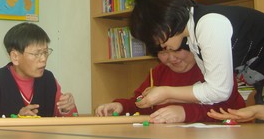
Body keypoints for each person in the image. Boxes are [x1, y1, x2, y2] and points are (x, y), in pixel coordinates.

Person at [129, 0, 264, 109]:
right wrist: (166, 97)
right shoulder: (193, 34)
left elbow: (219, 91)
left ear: (164, 22)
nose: (158, 44)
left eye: (154, 36)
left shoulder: (208, 25)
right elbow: (210, 91)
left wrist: (167, 93)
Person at [95, 44, 245, 123]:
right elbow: (142, 103)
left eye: (177, 50)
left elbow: (231, 110)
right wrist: (121, 106)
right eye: (163, 52)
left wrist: (184, 113)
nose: (171, 58)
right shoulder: (158, 72)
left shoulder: (213, 67)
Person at [0, 22, 77, 118]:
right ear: (15, 57)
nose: (43, 59)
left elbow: (69, 120)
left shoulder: (49, 79)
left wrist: (66, 107)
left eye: (45, 52)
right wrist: (17, 120)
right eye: (36, 54)